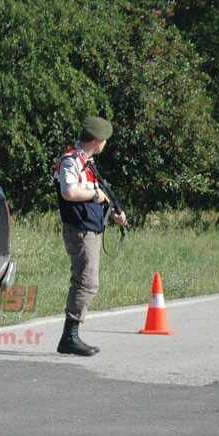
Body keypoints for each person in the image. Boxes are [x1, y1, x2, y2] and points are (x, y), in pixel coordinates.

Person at [52, 116, 128, 357]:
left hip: (90, 228)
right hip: (79, 229)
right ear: (97, 140)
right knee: (87, 281)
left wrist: (114, 212)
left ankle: (71, 335)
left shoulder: (88, 162)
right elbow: (69, 192)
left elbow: (96, 194)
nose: (105, 144)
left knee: (86, 280)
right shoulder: (71, 161)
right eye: (104, 140)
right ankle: (69, 337)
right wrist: (95, 194)